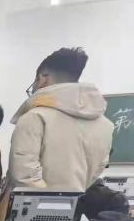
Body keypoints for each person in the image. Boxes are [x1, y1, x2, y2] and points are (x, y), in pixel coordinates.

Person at [9, 47, 114, 192]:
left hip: (33, 205)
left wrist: (50, 201)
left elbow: (24, 175)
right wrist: (69, 198)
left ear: (43, 78)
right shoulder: (105, 126)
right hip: (76, 203)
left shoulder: (35, 117)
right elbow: (96, 171)